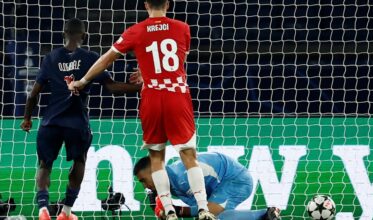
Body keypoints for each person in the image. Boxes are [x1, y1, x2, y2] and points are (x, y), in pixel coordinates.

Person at [68, 0, 214, 219]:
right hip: (177, 96)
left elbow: (107, 59)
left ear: (145, 5)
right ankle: (203, 209)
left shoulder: (135, 31)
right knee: (188, 155)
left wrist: (82, 80)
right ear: (168, 3)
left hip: (152, 96)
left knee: (156, 157)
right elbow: (177, 63)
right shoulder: (183, 28)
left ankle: (169, 210)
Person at [20, 18, 140, 220]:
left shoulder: (50, 58)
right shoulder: (91, 58)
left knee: (44, 165)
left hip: (51, 121)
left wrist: (27, 118)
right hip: (76, 122)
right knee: (79, 161)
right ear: (84, 35)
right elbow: (112, 88)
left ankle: (43, 209)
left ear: (64, 33)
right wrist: (141, 87)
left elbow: (33, 93)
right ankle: (66, 212)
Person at [134, 152, 281, 220]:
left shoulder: (182, 179)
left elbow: (201, 210)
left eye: (144, 180)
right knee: (212, 216)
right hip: (221, 184)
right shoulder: (170, 180)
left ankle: (267, 216)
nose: (145, 186)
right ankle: (266, 214)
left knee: (209, 218)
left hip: (236, 180)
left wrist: (174, 211)